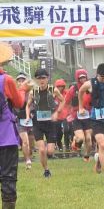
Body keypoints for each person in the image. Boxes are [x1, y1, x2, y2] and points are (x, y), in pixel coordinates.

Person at [0, 42, 32, 209]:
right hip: (5, 135)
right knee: (8, 176)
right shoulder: (6, 79)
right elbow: (19, 103)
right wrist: (23, 89)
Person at [26, 68, 65, 177]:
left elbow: (63, 101)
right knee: (42, 150)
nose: (41, 80)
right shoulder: (33, 92)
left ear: (47, 78)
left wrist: (57, 112)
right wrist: (27, 115)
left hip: (50, 123)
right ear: (36, 80)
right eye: (39, 78)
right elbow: (28, 106)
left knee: (50, 151)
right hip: (37, 123)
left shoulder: (53, 90)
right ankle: (46, 170)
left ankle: (48, 152)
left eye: (43, 78)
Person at [65, 69, 92, 162]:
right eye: (80, 78)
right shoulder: (73, 89)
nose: (82, 79)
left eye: (84, 77)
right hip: (76, 117)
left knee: (88, 138)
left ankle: (87, 156)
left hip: (88, 116)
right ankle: (75, 142)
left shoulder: (90, 88)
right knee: (81, 138)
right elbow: (67, 102)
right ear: (77, 78)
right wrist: (70, 113)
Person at [14, 73, 33, 169]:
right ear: (16, 82)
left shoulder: (31, 92)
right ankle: (28, 161)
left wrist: (31, 113)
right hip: (19, 120)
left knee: (31, 143)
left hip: (31, 120)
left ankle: (30, 155)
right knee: (25, 142)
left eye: (23, 80)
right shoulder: (15, 92)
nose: (21, 82)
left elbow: (33, 105)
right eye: (19, 80)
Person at [54, 79, 70, 152]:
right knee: (58, 132)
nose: (60, 88)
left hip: (65, 115)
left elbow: (70, 102)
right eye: (58, 86)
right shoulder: (53, 94)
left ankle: (67, 146)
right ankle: (59, 144)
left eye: (61, 86)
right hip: (57, 116)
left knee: (66, 130)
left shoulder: (67, 93)